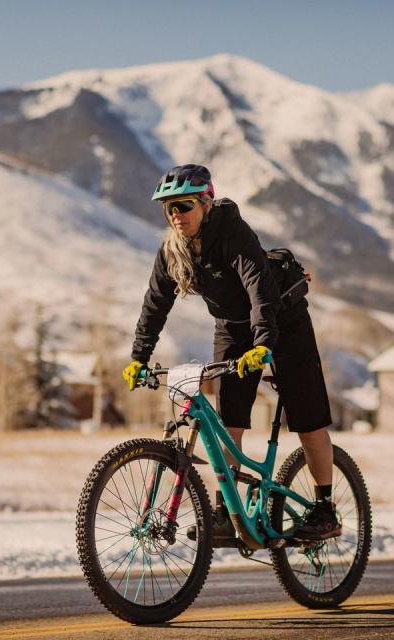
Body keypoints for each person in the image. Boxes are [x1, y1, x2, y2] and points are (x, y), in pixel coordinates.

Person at [122, 164, 339, 541]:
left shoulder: (233, 232)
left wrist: (263, 344)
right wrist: (139, 357)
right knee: (229, 424)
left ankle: (325, 510)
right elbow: (155, 304)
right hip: (232, 330)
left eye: (184, 205)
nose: (176, 215)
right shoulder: (172, 250)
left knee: (308, 421)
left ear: (205, 203)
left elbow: (259, 289)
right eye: (169, 208)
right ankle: (226, 514)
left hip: (281, 324)